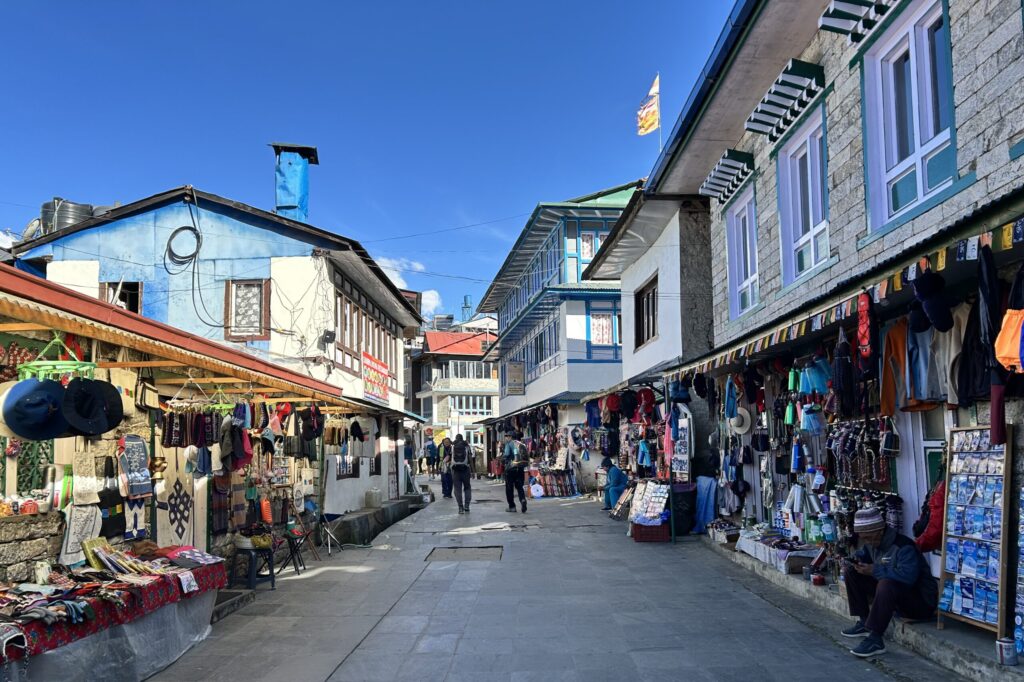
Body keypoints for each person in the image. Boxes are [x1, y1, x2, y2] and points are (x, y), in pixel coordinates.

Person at [840, 507, 937, 658]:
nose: (866, 541)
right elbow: (862, 554)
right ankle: (864, 622)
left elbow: (908, 577)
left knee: (886, 583)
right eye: (862, 538)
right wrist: (854, 560)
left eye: (868, 537)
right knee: (851, 572)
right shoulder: (871, 544)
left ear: (879, 531)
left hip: (920, 603)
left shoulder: (904, 546)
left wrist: (875, 570)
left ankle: (875, 638)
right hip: (897, 598)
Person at [502, 432, 527, 514]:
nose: (506, 438)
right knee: (519, 486)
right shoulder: (521, 444)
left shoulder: (509, 444)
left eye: (506, 436)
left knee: (509, 488)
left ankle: (512, 507)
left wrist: (502, 458)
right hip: (520, 468)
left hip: (511, 469)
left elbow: (507, 454)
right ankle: (523, 500)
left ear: (510, 437)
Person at [450, 434, 473, 513]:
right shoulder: (466, 446)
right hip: (465, 469)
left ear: (456, 439)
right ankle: (467, 506)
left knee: (457, 489)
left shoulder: (452, 446)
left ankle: (460, 507)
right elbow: (470, 458)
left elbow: (449, 458)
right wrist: (473, 471)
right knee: (467, 488)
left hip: (455, 470)